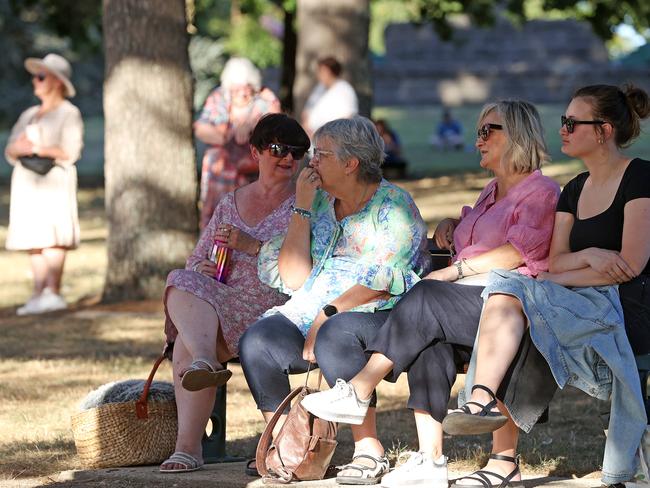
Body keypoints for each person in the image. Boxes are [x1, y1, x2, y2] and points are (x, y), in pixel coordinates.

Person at [301, 100, 561, 488]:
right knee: (428, 341)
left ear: (518, 137)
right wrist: (452, 224)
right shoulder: (492, 191)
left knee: (425, 297)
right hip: (466, 302)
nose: (478, 140)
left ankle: (359, 388)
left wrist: (453, 270)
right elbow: (481, 235)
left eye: (489, 131)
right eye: (477, 131)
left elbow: (519, 251)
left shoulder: (540, 191)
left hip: (507, 304)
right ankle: (431, 460)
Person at [443, 85, 650, 488]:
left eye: (573, 123)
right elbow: (554, 263)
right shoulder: (574, 189)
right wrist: (590, 257)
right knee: (510, 293)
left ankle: (496, 442)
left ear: (604, 131)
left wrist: (566, 272)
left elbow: (630, 265)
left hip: (631, 303)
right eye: (563, 122)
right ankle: (482, 407)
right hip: (579, 298)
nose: (564, 130)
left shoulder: (640, 177)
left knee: (515, 294)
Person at [238, 116, 431, 480]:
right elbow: (294, 276)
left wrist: (329, 313)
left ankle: (368, 450)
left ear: (350, 163)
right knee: (257, 341)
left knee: (336, 333)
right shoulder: (323, 203)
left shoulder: (393, 207)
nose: (310, 163)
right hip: (312, 310)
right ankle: (289, 447)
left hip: (376, 312)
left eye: (320, 155)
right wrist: (302, 206)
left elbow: (386, 281)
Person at [159, 113, 310, 473]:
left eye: (297, 152)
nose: (288, 158)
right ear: (256, 153)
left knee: (189, 340)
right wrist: (202, 269)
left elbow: (301, 268)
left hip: (275, 307)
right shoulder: (230, 203)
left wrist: (253, 245)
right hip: (223, 303)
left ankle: (189, 445)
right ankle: (204, 363)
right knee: (181, 277)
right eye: (278, 149)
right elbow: (197, 258)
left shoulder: (303, 205)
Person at [4, 53, 84, 315]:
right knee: (34, 237)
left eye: (41, 76)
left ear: (57, 82)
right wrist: (19, 147)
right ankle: (38, 293)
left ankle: (53, 291)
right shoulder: (29, 114)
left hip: (54, 180)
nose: (35, 81)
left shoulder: (69, 113)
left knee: (53, 236)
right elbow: (10, 149)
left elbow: (71, 151)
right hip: (27, 181)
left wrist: (39, 148)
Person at [194, 57, 281, 230]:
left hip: (254, 172)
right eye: (236, 88)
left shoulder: (265, 99)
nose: (242, 92)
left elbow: (278, 129)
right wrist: (227, 134)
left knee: (250, 218)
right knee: (217, 219)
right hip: (221, 173)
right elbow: (200, 128)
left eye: (246, 87)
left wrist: (253, 128)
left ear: (253, 84)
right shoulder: (219, 97)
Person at [301, 56, 359, 136]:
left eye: (322, 71)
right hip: (312, 139)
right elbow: (306, 112)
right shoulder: (319, 88)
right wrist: (306, 129)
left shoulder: (345, 89)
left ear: (329, 71)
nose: (318, 75)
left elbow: (348, 118)